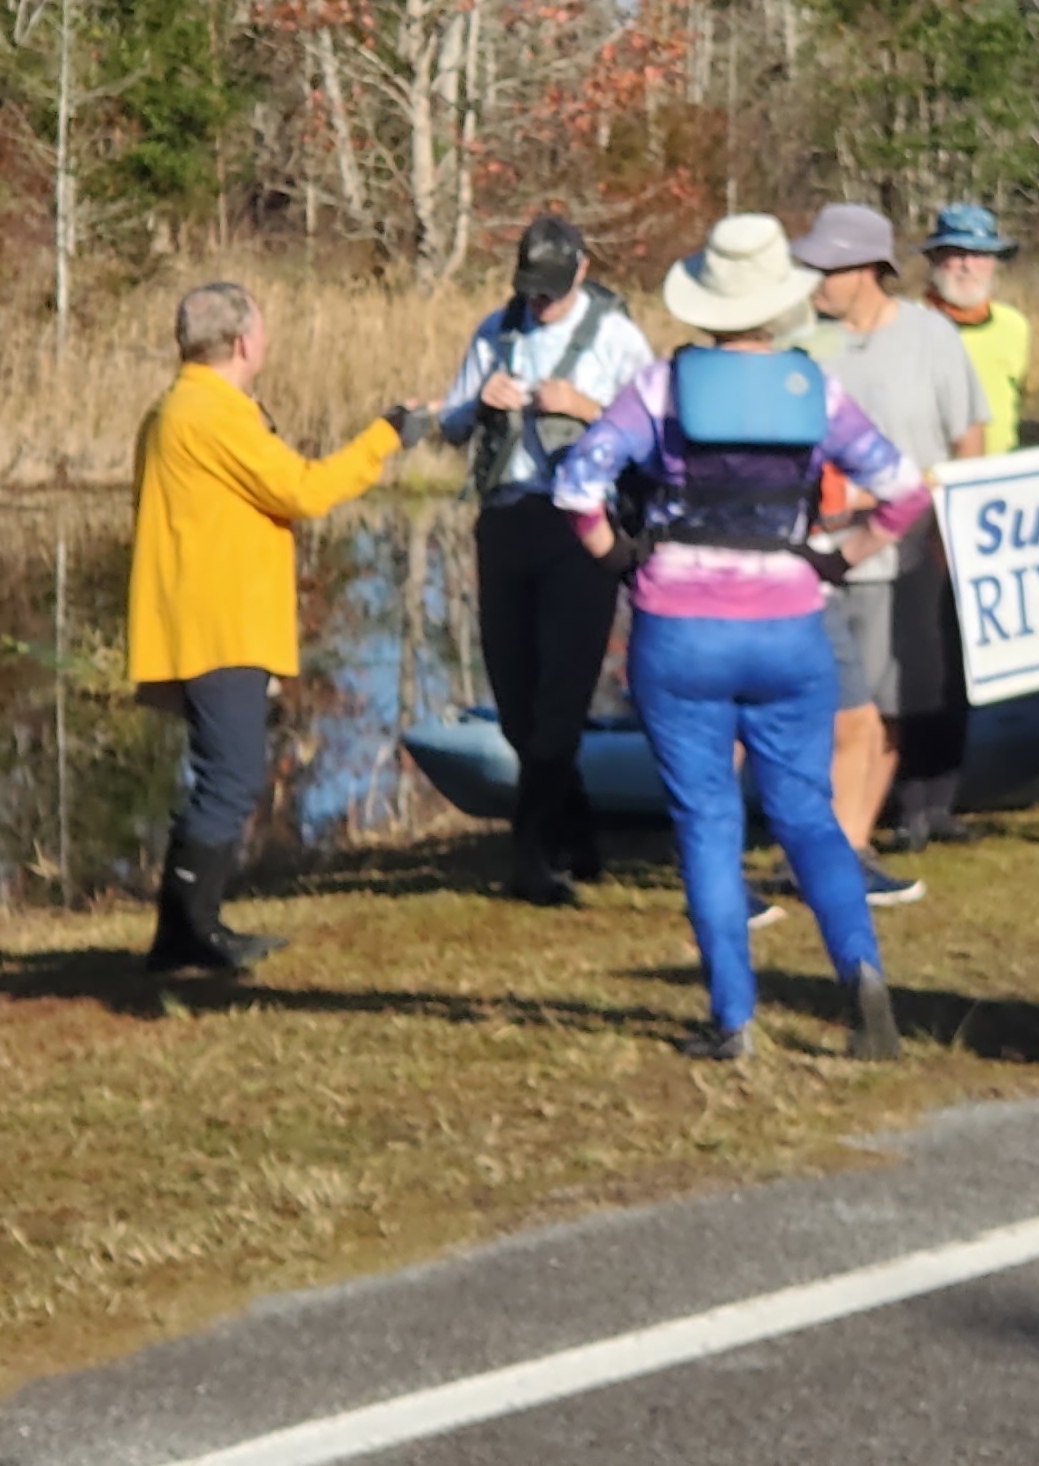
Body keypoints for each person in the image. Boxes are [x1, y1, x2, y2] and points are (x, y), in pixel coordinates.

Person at [553, 215, 914, 1061]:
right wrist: (837, 558)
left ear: (706, 302)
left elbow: (577, 487)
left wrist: (620, 558)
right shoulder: (813, 389)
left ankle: (733, 1020)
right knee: (808, 815)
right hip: (790, 629)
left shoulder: (660, 389)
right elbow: (901, 490)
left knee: (708, 820)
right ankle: (863, 984)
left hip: (678, 634)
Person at [129, 282, 424, 974]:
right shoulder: (210, 413)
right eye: (262, 329)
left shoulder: (180, 408)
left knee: (222, 775)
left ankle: (184, 933)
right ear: (241, 343)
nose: (266, 340)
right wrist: (386, 435)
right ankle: (189, 936)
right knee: (231, 779)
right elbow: (306, 489)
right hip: (218, 624)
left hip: (206, 619)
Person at [434, 214, 658, 907]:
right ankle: (579, 834)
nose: (540, 302)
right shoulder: (494, 331)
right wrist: (479, 401)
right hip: (506, 522)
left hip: (581, 527)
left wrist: (588, 408)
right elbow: (449, 426)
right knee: (514, 703)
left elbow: (657, 437)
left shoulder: (619, 338)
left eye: (553, 290)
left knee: (561, 699)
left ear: (583, 272)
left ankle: (531, 860)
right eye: (532, 288)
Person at [792, 202, 987, 885]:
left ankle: (855, 843)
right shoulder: (806, 342)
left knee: (891, 703)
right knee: (828, 708)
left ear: (868, 269)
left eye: (826, 266)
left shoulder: (932, 337)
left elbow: (969, 438)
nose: (813, 277)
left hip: (908, 553)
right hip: (814, 560)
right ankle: (827, 841)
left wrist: (957, 534)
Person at [924, 203, 1034, 455]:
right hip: (931, 480)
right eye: (958, 253)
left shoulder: (1014, 325)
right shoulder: (908, 324)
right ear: (935, 258)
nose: (968, 266)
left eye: (980, 254)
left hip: (1002, 478)